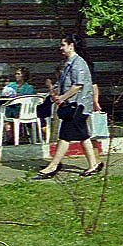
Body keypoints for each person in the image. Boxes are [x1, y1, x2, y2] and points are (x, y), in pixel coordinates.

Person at [37, 36, 101, 178]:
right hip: (73, 105)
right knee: (83, 136)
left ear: (71, 46)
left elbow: (78, 85)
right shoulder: (69, 63)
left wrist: (62, 98)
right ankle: (94, 164)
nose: (61, 48)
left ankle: (53, 166)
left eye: (63, 45)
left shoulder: (78, 63)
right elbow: (66, 83)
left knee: (65, 136)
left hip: (79, 106)